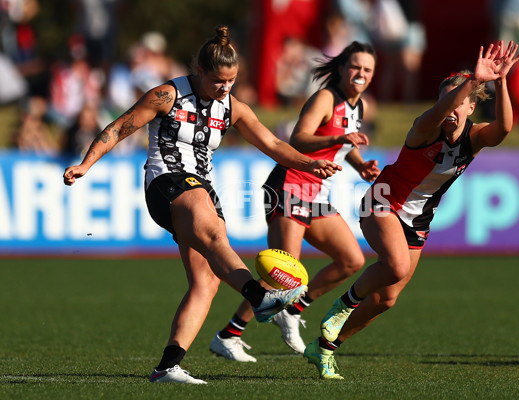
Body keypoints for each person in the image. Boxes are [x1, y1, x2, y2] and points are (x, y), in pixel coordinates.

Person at [62, 25, 342, 385]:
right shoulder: (167, 95)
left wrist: (309, 163)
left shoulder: (233, 108)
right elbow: (119, 127)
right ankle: (260, 297)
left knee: (206, 281)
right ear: (199, 72)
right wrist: (86, 164)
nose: (225, 88)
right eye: (218, 81)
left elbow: (273, 144)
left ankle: (167, 367)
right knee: (213, 234)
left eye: (232, 81)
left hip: (201, 189)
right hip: (167, 183)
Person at [303, 40, 519, 379]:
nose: (450, 108)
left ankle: (325, 347)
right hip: (384, 201)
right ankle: (341, 306)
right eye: (445, 100)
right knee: (396, 266)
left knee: (386, 300)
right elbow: (438, 111)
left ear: (471, 108)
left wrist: (501, 81)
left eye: (460, 102)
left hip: (418, 218)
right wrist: (470, 82)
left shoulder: (475, 137)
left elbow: (505, 128)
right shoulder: (424, 128)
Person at [209, 41, 381, 362]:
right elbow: (299, 138)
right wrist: (338, 139)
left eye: (367, 69)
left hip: (315, 191)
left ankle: (292, 311)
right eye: (355, 66)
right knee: (283, 269)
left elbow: (346, 143)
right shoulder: (327, 97)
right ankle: (228, 335)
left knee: (351, 260)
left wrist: (361, 164)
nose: (361, 73)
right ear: (342, 68)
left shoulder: (360, 106)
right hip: (289, 183)